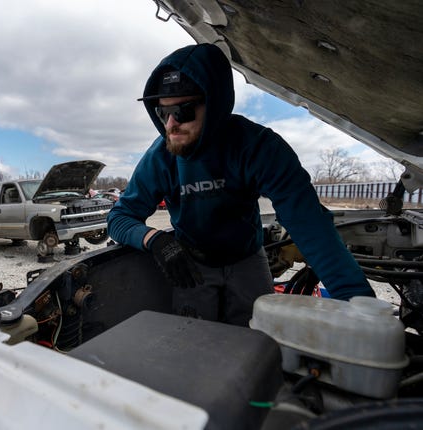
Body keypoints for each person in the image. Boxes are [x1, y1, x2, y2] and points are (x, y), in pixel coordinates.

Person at [107, 43, 375, 326]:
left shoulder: (257, 148)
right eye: (163, 113)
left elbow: (309, 222)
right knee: (193, 340)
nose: (171, 124)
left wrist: (360, 306)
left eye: (184, 111)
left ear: (215, 103)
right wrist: (156, 240)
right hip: (193, 262)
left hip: (247, 257)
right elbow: (119, 217)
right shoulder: (160, 157)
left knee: (260, 340)